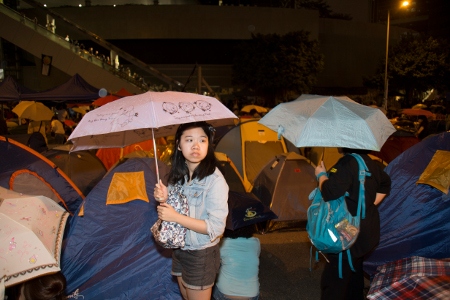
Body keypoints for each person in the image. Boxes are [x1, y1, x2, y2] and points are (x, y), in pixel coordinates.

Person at [154, 121, 229, 300]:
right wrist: (164, 198)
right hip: (180, 248)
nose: (196, 146)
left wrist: (176, 217)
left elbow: (216, 228)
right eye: (189, 140)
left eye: (202, 140)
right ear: (179, 145)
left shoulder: (215, 181)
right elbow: (174, 209)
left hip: (200, 253)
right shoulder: (178, 176)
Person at [314, 148, 391, 300]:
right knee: (354, 269)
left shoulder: (347, 163)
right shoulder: (372, 162)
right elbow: (386, 184)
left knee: (335, 277)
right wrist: (369, 203)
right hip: (368, 228)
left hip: (348, 227)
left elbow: (330, 192)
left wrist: (321, 175)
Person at [213, 225, 261, 300]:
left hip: (225, 293)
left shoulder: (223, 243)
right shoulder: (256, 242)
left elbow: (215, 264)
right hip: (251, 295)